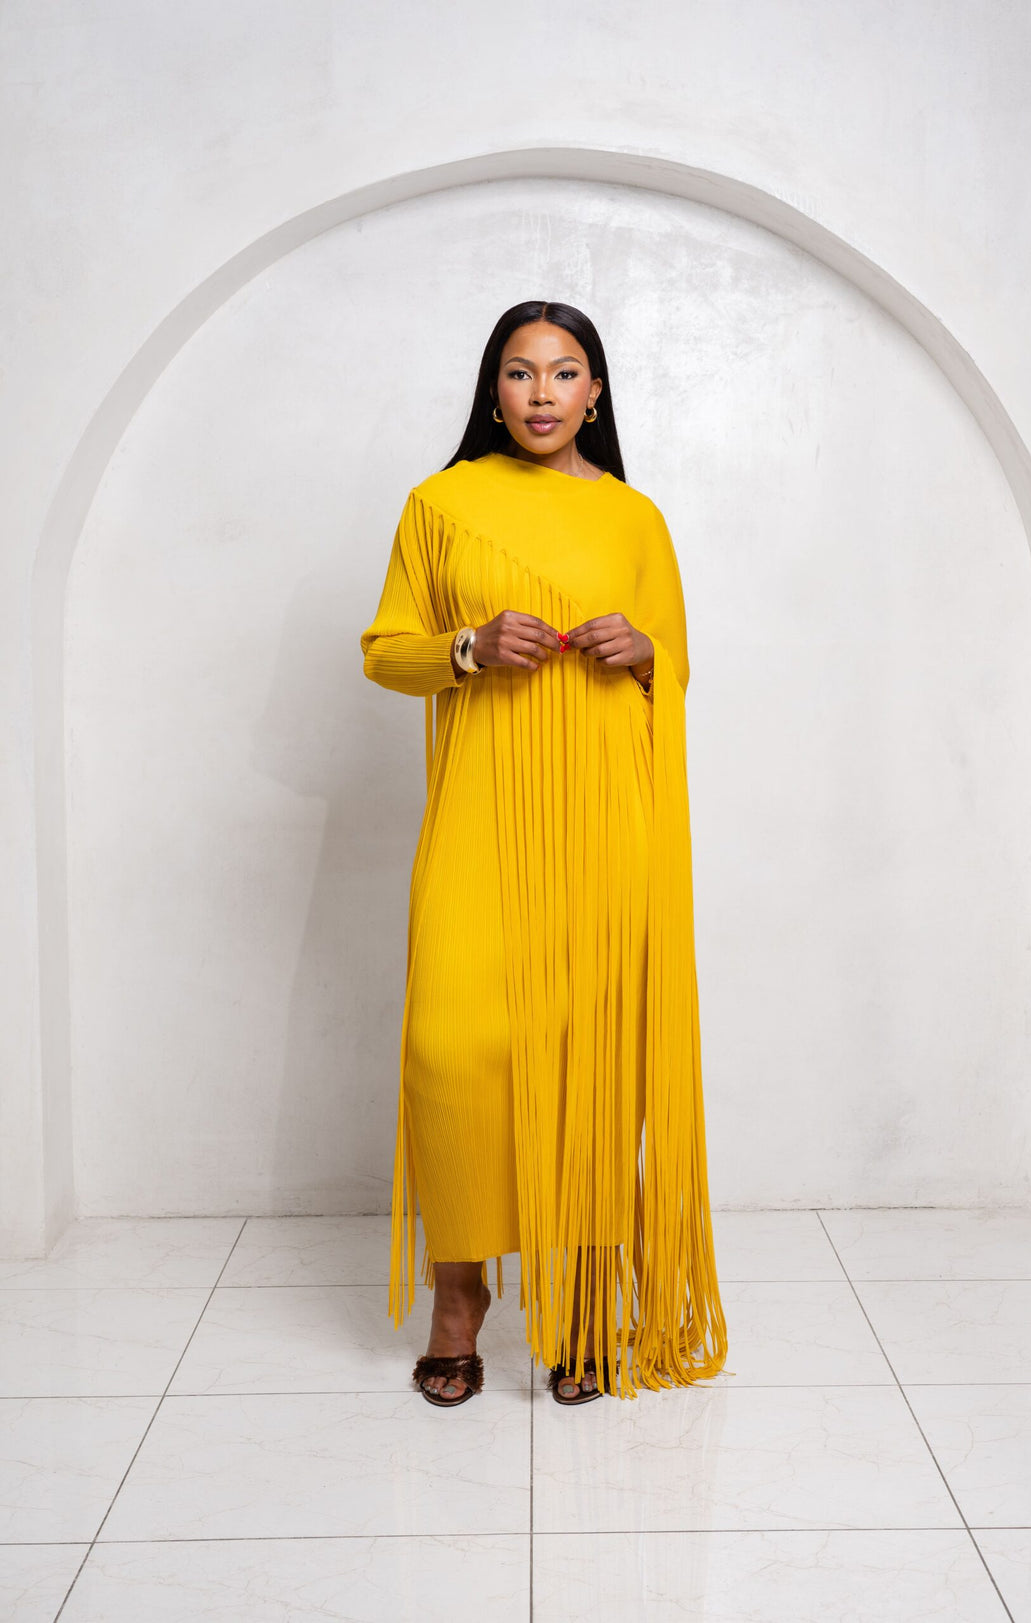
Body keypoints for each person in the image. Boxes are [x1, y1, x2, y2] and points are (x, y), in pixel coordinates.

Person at [360, 299, 729, 1404]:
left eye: (564, 373)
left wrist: (644, 649)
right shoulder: (441, 504)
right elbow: (386, 652)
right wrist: (467, 648)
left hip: (603, 819)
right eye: (520, 373)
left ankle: (579, 1308)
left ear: (595, 394)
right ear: (494, 389)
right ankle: (460, 1297)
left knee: (588, 1054)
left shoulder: (634, 518)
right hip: (482, 812)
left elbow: (677, 671)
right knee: (452, 1046)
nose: (541, 393)